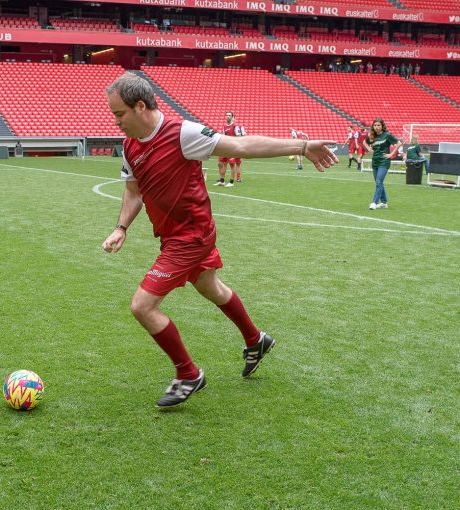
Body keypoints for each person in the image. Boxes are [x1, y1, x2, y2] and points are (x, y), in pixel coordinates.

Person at [102, 73, 337, 407]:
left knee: (143, 306)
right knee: (210, 287)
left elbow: (242, 145)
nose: (116, 122)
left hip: (192, 234)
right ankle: (256, 340)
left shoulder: (183, 134)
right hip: (172, 236)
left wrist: (301, 146)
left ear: (140, 106)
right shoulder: (129, 147)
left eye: (119, 114)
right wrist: (121, 227)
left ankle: (188, 374)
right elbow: (133, 191)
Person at [362, 118, 402, 210]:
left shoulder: (387, 135)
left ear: (382, 126)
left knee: (379, 182)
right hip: (375, 162)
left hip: (384, 162)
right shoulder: (372, 136)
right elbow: (364, 142)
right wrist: (369, 149)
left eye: (378, 125)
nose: (376, 127)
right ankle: (384, 202)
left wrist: (391, 154)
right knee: (378, 183)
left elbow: (399, 143)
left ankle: (374, 202)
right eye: (375, 125)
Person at [215, 112, 246, 187]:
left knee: (232, 165)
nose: (228, 116)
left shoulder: (235, 126)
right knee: (220, 163)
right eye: (227, 115)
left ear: (232, 117)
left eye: (229, 115)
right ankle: (222, 181)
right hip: (225, 148)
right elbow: (223, 137)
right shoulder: (224, 127)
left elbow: (238, 138)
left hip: (232, 149)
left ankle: (231, 182)